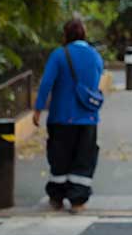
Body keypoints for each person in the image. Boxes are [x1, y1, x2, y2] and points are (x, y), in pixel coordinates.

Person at [33, 17, 105, 211]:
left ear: (65, 34)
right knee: (84, 158)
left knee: (59, 157)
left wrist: (38, 109)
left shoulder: (59, 55)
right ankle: (78, 200)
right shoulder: (95, 56)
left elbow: (46, 83)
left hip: (61, 117)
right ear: (84, 34)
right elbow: (96, 80)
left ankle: (56, 197)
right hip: (88, 117)